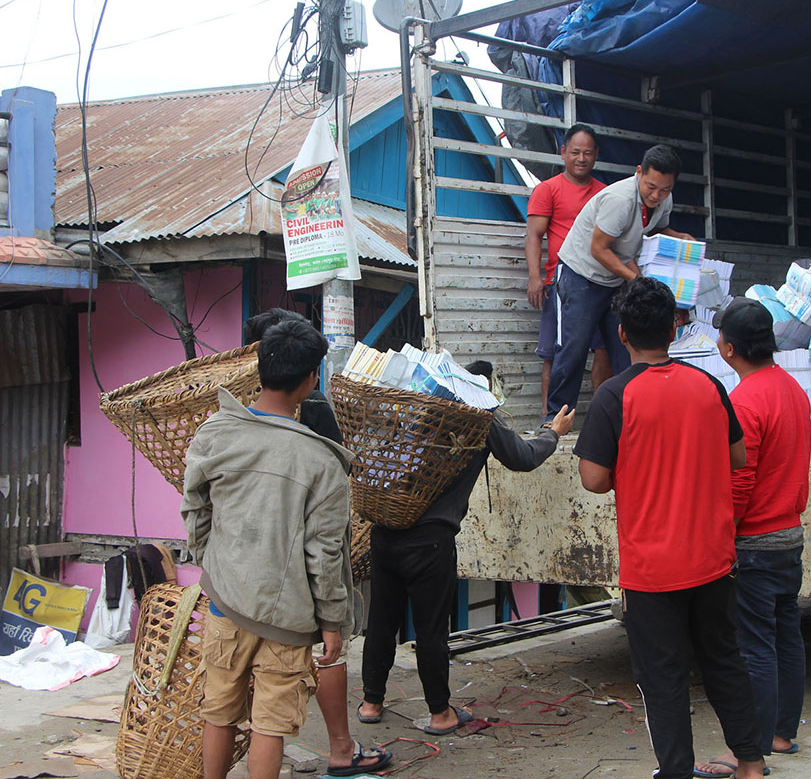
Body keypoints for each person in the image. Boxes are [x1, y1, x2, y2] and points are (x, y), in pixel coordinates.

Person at [574, 278, 767, 779]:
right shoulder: (709, 385)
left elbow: (593, 479)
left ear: (622, 334)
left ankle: (677, 771)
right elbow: (738, 456)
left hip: (653, 569)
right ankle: (750, 763)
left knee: (663, 679)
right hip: (712, 556)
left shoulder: (614, 397)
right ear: (673, 330)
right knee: (725, 660)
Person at [181, 320, 388, 779]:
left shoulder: (216, 431)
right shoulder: (322, 460)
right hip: (289, 619)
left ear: (260, 367)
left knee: (218, 711)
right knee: (269, 727)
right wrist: (333, 622)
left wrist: (211, 563)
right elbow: (325, 556)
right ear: (312, 379)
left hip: (225, 603)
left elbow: (194, 508)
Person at [358, 362, 575, 734]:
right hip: (430, 542)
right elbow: (522, 457)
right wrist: (552, 433)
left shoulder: (413, 408)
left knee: (381, 619)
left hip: (386, 531)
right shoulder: (478, 419)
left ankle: (371, 702)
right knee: (431, 630)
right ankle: (440, 713)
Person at [241, 309, 390, 776]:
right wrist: (331, 618)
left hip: (239, 572)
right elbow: (326, 529)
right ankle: (341, 750)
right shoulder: (314, 409)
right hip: (297, 572)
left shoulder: (229, 413)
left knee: (226, 704)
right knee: (288, 697)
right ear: (306, 373)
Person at [696, 298, 811, 776]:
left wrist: (722, 535)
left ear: (728, 349)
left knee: (753, 647)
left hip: (756, 540)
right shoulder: (794, 389)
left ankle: (752, 750)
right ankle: (782, 733)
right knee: (787, 637)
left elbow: (739, 482)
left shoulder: (743, 400)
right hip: (789, 533)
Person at [546, 144, 695, 419]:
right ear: (639, 172)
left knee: (628, 348)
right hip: (581, 275)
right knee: (574, 348)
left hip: (616, 278)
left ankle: (629, 415)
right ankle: (555, 418)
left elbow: (656, 227)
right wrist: (637, 280)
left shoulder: (663, 200)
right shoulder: (619, 200)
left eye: (664, 189)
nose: (656, 195)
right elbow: (599, 249)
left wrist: (679, 236)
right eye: (651, 186)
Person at [526, 124, 610, 413]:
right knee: (555, 355)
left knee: (605, 351)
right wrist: (536, 279)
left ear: (596, 155)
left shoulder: (605, 194)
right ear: (563, 153)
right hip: (561, 284)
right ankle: (551, 423)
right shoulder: (547, 190)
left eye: (588, 153)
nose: (581, 158)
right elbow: (534, 236)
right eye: (575, 152)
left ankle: (601, 421)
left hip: (600, 283)